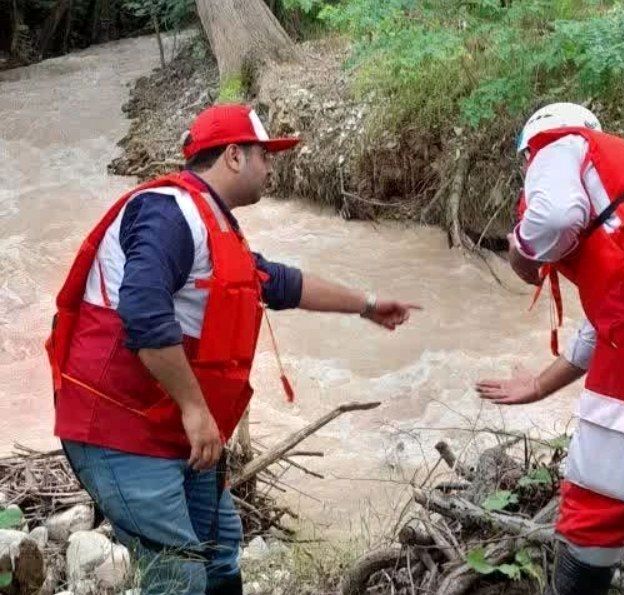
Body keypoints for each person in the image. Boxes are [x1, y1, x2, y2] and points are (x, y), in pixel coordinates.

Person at [46, 104, 420, 594]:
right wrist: (196, 409)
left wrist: (367, 305)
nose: (272, 167)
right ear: (234, 157)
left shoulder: (213, 224)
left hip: (172, 427)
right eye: (264, 155)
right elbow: (142, 310)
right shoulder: (166, 212)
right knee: (178, 572)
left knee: (221, 552)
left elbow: (279, 283)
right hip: (120, 427)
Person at [477, 102, 624, 595]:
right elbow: (617, 317)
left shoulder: (558, 145)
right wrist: (542, 384)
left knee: (598, 492)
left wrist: (524, 254)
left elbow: (555, 218)